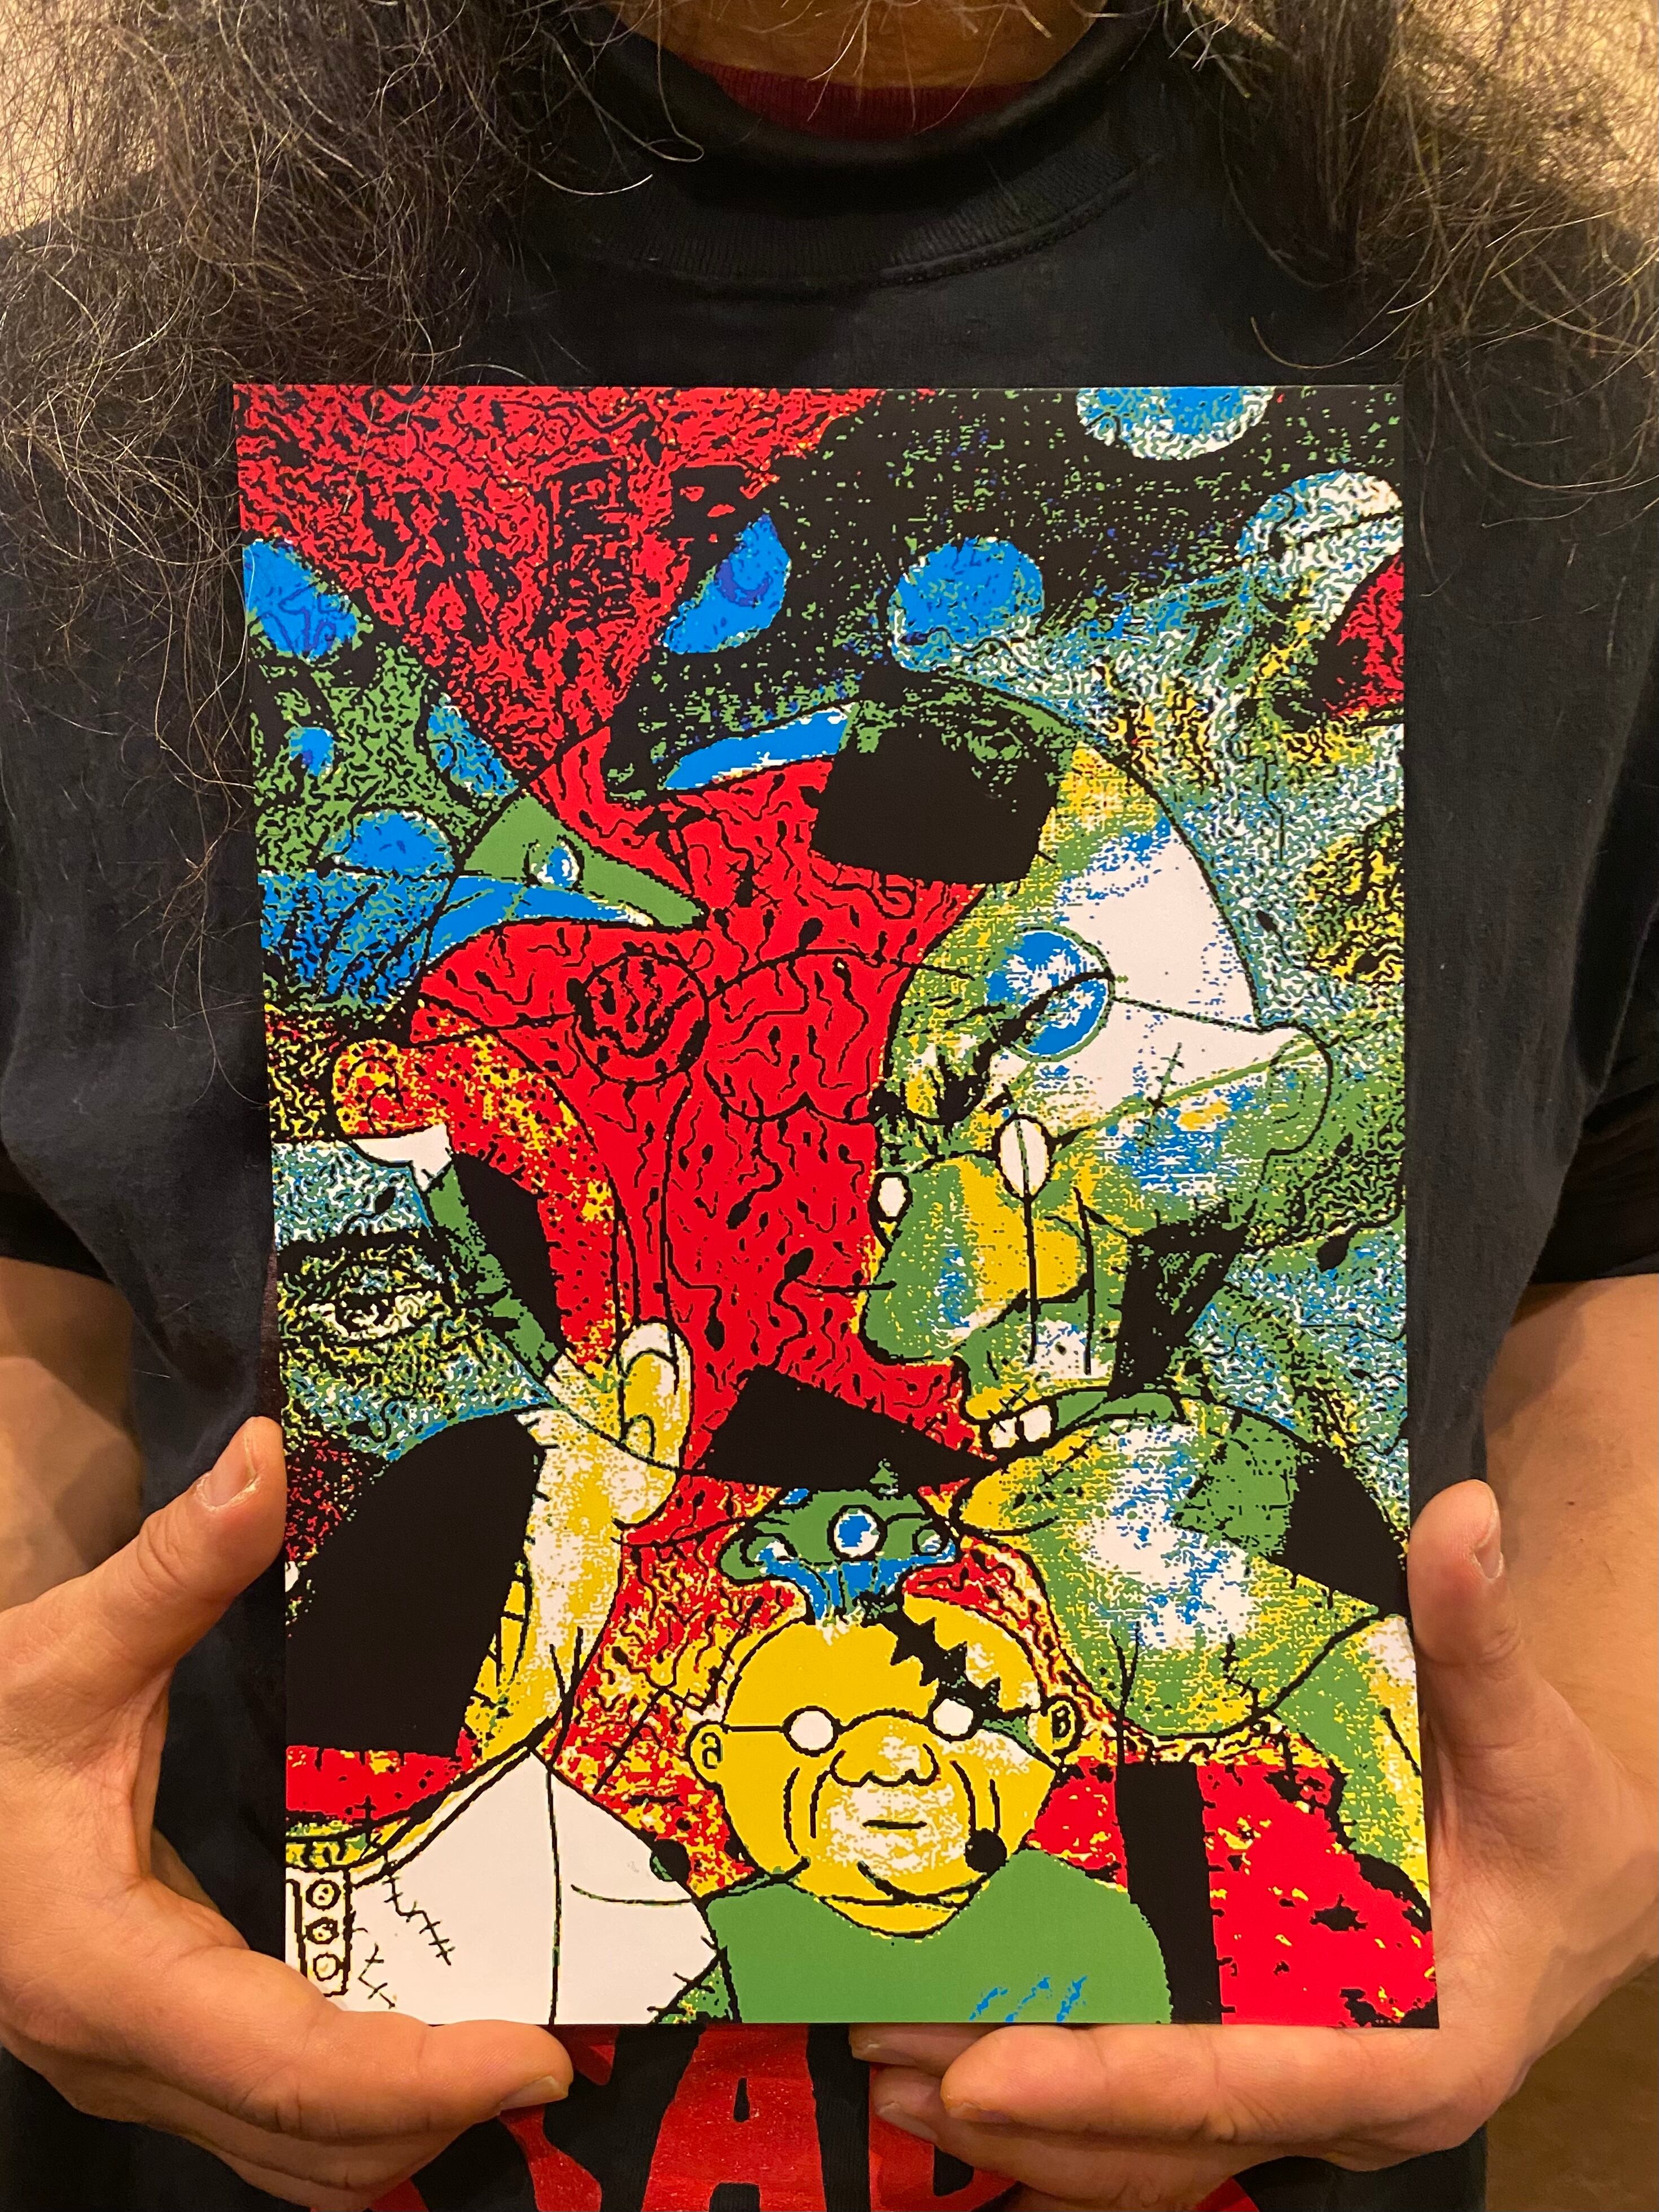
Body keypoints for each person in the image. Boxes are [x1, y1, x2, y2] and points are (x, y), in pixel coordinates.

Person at [1, 6, 1653, 2212]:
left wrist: (1603, 1799)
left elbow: (1607, 1231)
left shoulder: (1574, 404)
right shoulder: (55, 399)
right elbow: (38, 1250)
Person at [684, 1591, 1173, 2026]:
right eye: (812, 1732)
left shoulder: (1089, 1928)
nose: (891, 1764)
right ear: (714, 1755)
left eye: (957, 1722)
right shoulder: (712, 1939)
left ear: (1054, 1734)